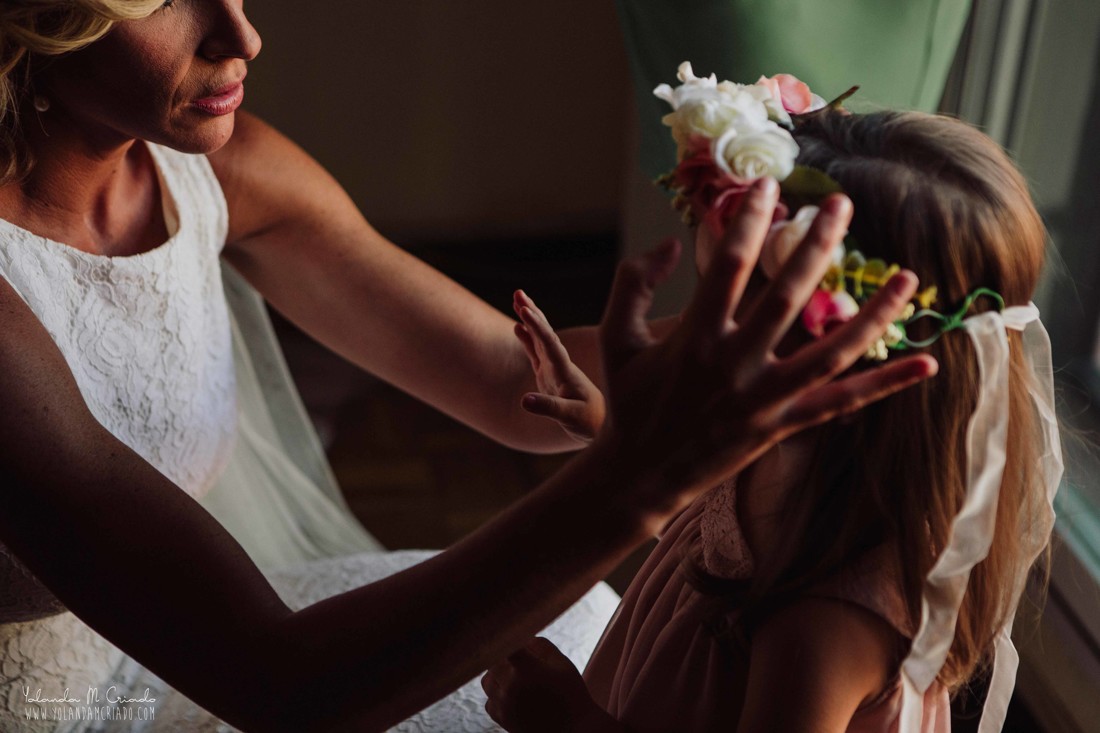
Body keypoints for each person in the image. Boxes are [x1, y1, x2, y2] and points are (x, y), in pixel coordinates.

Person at [0, 2, 934, 731]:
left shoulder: (209, 167)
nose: (241, 34)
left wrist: (780, 320)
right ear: (32, 22)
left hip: (194, 649)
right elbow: (283, 688)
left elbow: (505, 375)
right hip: (138, 690)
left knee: (585, 638)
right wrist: (641, 477)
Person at [482, 108, 1061, 732]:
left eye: (720, 310)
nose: (686, 333)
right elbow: (716, 531)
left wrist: (569, 723)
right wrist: (614, 435)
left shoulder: (826, 621)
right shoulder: (796, 461)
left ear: (824, 352)